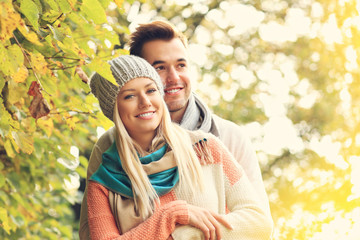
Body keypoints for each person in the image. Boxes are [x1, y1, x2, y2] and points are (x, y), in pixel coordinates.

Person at [79, 20, 273, 239]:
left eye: (181, 65)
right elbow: (90, 233)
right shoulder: (107, 152)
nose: (173, 79)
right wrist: (169, 217)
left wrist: (183, 234)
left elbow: (258, 222)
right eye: (159, 68)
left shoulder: (218, 142)